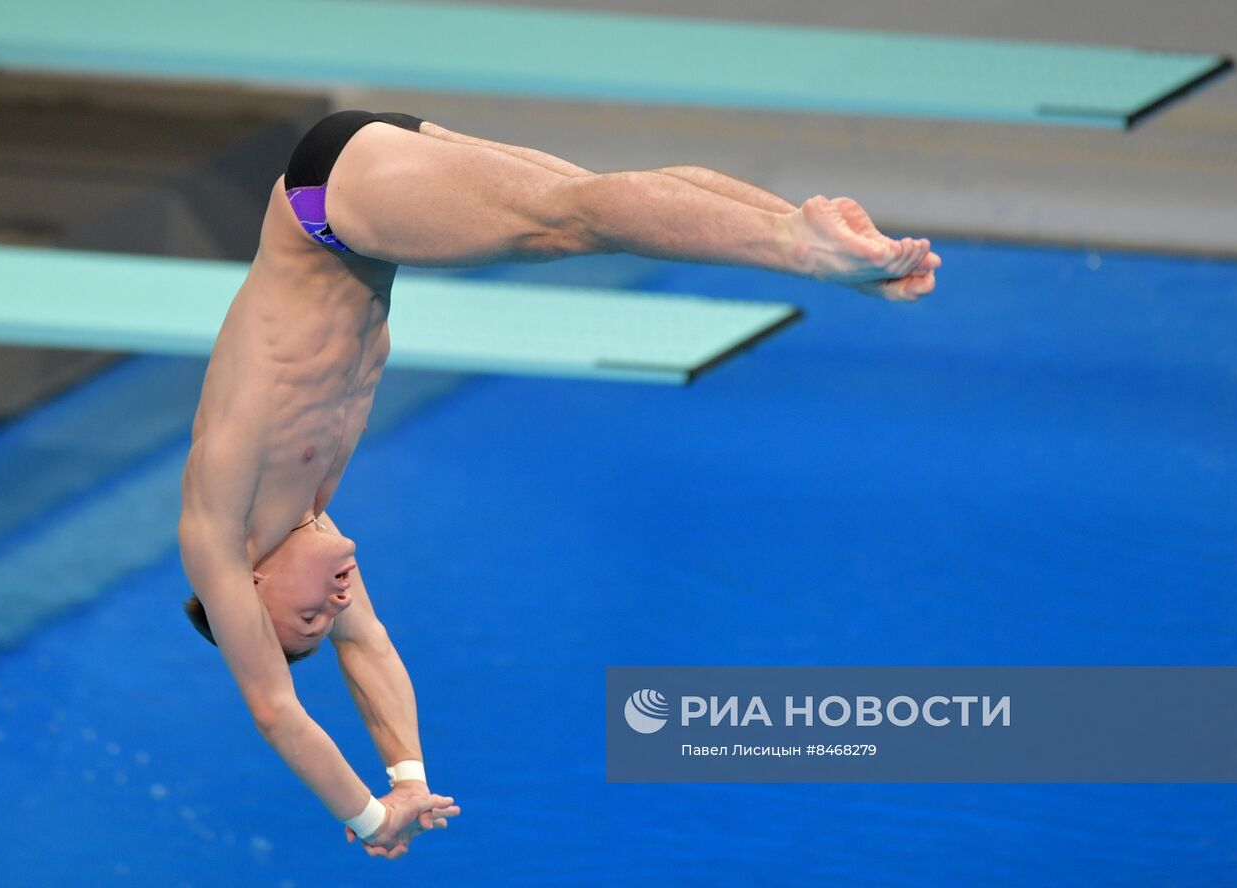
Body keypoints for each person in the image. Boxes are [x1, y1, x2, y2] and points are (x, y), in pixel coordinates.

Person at [177, 110, 941, 861]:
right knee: (593, 200)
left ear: (246, 587)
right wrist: (406, 778)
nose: (337, 605)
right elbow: (368, 650)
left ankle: (804, 248)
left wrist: (372, 821)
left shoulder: (222, 514)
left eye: (309, 614)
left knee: (567, 221)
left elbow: (277, 710)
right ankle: (841, 254)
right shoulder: (303, 515)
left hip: (332, 205)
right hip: (354, 187)